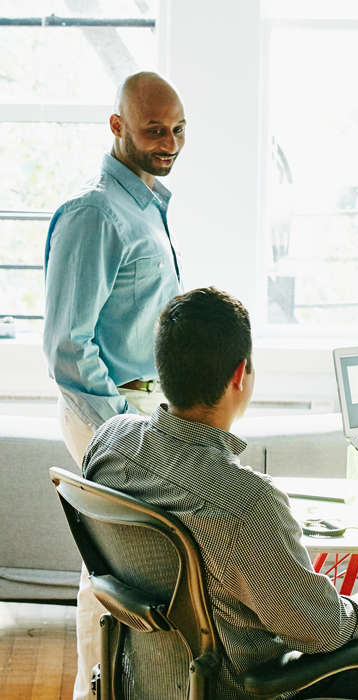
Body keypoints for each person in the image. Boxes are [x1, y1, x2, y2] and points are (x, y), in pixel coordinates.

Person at [82, 287, 358, 700]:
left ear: (163, 369)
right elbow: (320, 630)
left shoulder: (108, 442)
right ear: (239, 374)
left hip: (143, 677)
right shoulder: (244, 503)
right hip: (241, 684)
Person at [42, 70, 186, 699]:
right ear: (117, 126)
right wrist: (119, 430)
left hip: (141, 405)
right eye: (155, 129)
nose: (171, 141)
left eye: (179, 129)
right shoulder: (95, 213)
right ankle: (95, 691)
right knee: (114, 562)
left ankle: (107, 689)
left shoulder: (146, 207)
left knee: (116, 562)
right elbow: (68, 346)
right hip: (105, 409)